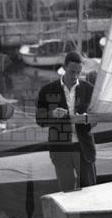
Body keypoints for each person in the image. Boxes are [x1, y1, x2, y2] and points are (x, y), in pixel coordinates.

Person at [36, 51, 96, 191]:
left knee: (90, 192)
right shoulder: (47, 90)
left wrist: (88, 119)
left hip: (84, 148)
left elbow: (95, 118)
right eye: (72, 72)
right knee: (66, 193)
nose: (75, 76)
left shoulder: (89, 90)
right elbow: (40, 119)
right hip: (60, 149)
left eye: (78, 72)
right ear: (64, 67)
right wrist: (52, 114)